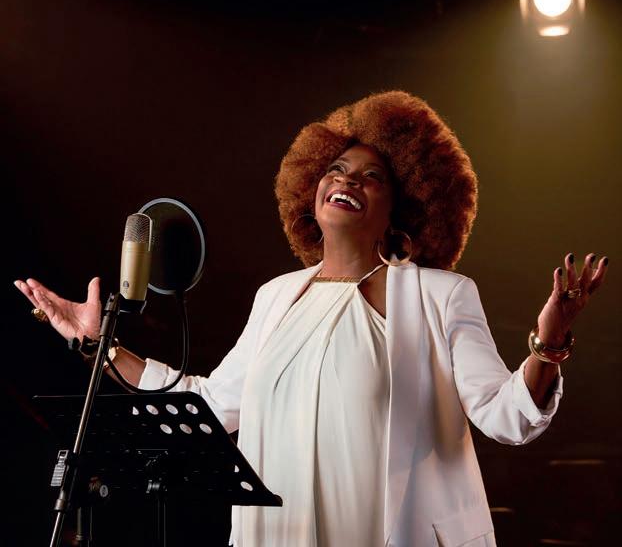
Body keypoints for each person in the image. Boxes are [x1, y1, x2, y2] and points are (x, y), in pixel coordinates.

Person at [15, 91, 608, 547]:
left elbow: (506, 417)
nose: (347, 180)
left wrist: (549, 343)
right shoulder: (275, 297)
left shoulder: (441, 295)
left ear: (403, 207)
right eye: (337, 169)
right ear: (312, 187)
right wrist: (97, 343)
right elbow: (208, 406)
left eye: (371, 176)